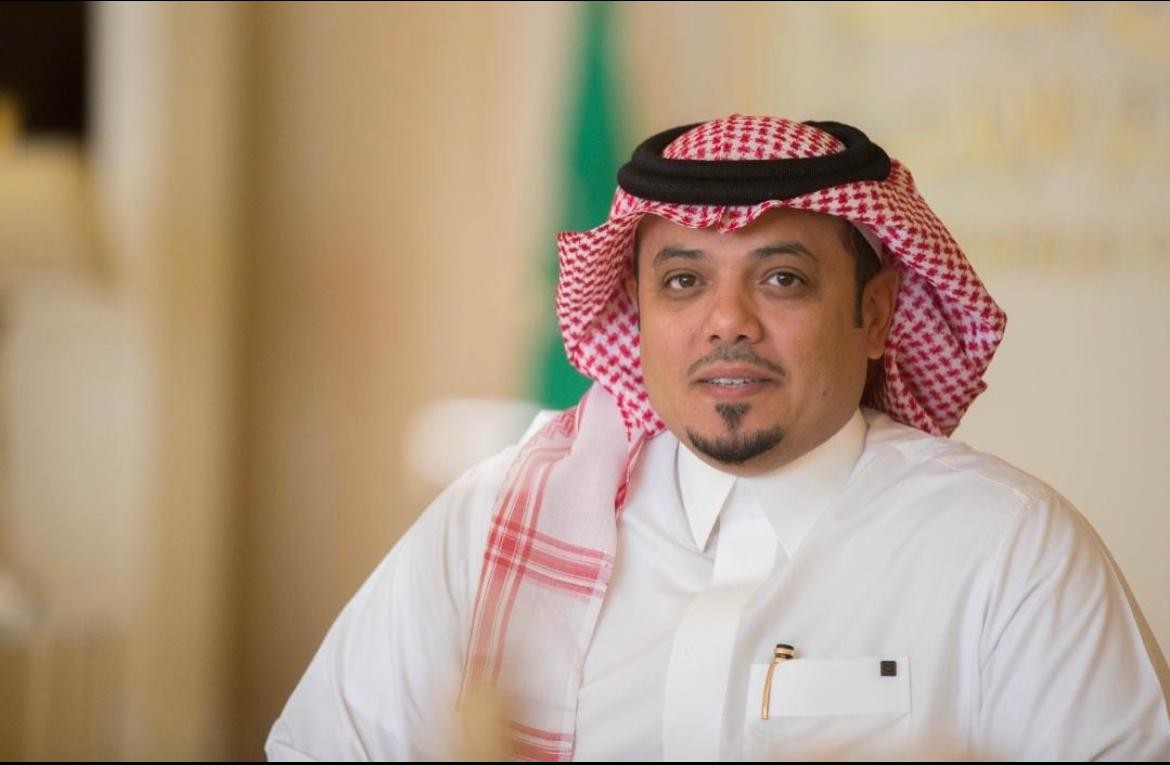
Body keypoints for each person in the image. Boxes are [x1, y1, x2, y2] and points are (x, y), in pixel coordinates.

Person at [266, 115, 1170, 761]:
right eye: (683, 282)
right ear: (638, 313)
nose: (726, 321)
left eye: (781, 279)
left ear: (874, 314)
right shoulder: (491, 522)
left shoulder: (1008, 550)